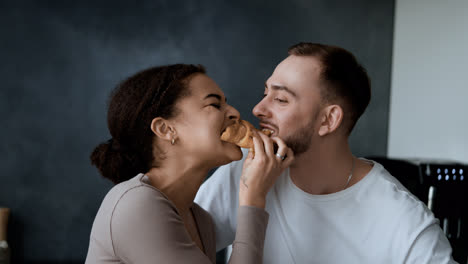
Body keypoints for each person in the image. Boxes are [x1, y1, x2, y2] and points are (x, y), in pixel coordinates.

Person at [195, 43, 457, 263]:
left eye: (281, 99)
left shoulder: (404, 222)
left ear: (328, 120)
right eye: (266, 93)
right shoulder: (244, 171)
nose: (257, 109)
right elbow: (172, 248)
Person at [85, 64, 294, 263]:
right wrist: (253, 198)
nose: (234, 113)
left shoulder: (200, 220)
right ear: (166, 129)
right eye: (214, 104)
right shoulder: (136, 204)